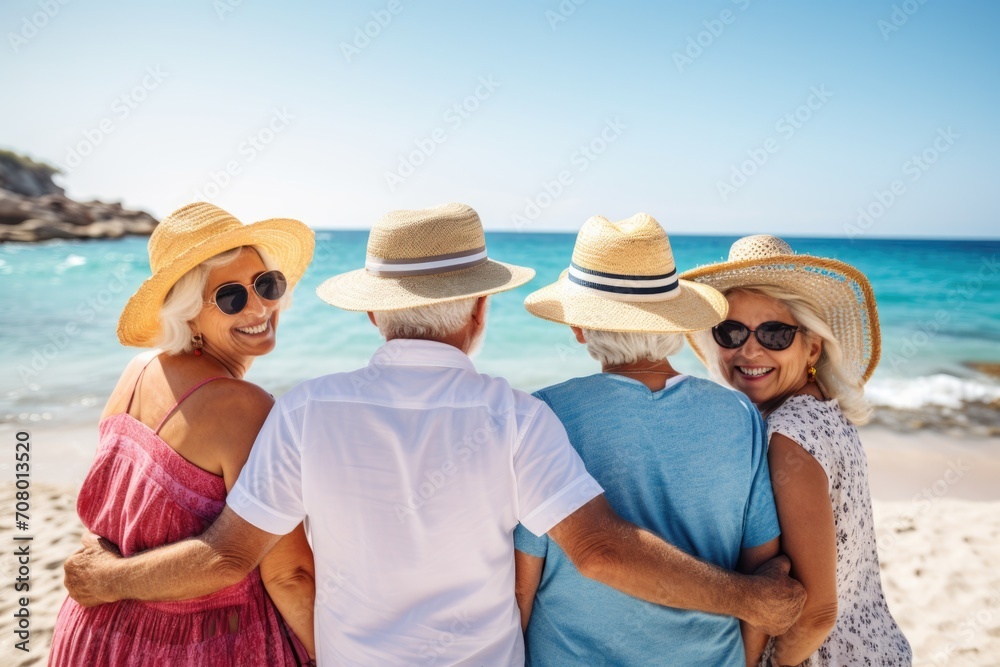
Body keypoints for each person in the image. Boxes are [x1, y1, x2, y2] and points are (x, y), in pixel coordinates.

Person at [63, 203, 805, 666]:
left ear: (372, 315)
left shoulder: (302, 410)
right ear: (481, 312)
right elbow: (602, 549)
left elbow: (252, 560)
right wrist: (749, 597)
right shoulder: (518, 416)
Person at [50, 203, 317, 666]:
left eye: (266, 285)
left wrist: (109, 578)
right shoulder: (244, 406)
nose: (259, 307)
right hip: (200, 644)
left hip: (93, 634)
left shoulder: (137, 371)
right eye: (231, 297)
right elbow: (289, 574)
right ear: (188, 311)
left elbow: (115, 514)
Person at [513, 213, 783, 666]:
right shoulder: (739, 414)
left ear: (578, 327)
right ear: (675, 324)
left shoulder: (545, 415)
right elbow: (763, 568)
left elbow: (524, 583)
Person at [682, 235, 912, 666]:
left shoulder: (787, 437)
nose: (750, 350)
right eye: (731, 332)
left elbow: (817, 613)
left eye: (774, 333)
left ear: (812, 345)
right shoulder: (822, 408)